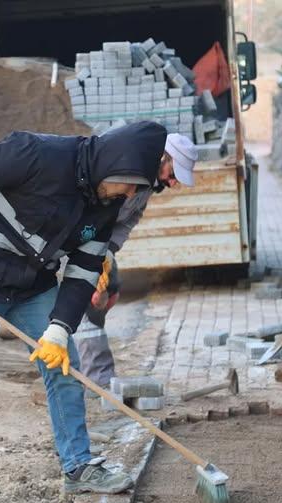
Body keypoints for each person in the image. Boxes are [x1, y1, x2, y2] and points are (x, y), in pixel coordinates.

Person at [0, 122, 195, 503]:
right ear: (120, 166)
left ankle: (77, 467)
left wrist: (60, 328)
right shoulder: (34, 154)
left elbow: (81, 272)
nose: (131, 195)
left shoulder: (107, 205)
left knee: (63, 366)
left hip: (32, 285)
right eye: (130, 185)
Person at [75, 133, 198, 389]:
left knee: (112, 293)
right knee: (92, 301)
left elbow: (128, 222)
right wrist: (90, 261)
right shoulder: (129, 169)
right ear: (165, 157)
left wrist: (108, 254)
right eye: (173, 174)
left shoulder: (148, 186)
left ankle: (79, 353)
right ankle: (97, 378)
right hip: (81, 240)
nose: (173, 184)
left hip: (103, 245)